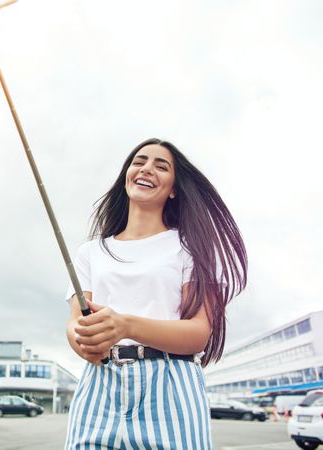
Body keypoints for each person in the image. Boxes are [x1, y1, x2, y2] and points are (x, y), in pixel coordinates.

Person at [64, 138, 247, 449]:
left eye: (161, 166)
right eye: (139, 161)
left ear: (174, 188)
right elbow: (73, 324)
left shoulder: (192, 248)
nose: (146, 168)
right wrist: (84, 344)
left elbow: (199, 333)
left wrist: (126, 326)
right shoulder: (90, 252)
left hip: (170, 386)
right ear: (127, 176)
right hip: (101, 383)